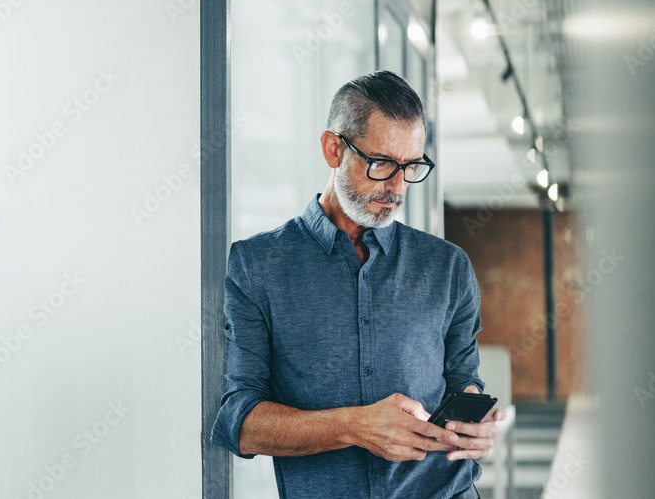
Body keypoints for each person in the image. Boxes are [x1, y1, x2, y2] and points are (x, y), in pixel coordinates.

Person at [211, 71, 505, 499]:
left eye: (411, 166)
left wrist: (474, 423)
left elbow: (463, 379)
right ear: (334, 149)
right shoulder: (258, 265)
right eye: (383, 162)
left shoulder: (447, 266)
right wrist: (354, 426)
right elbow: (241, 421)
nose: (397, 186)